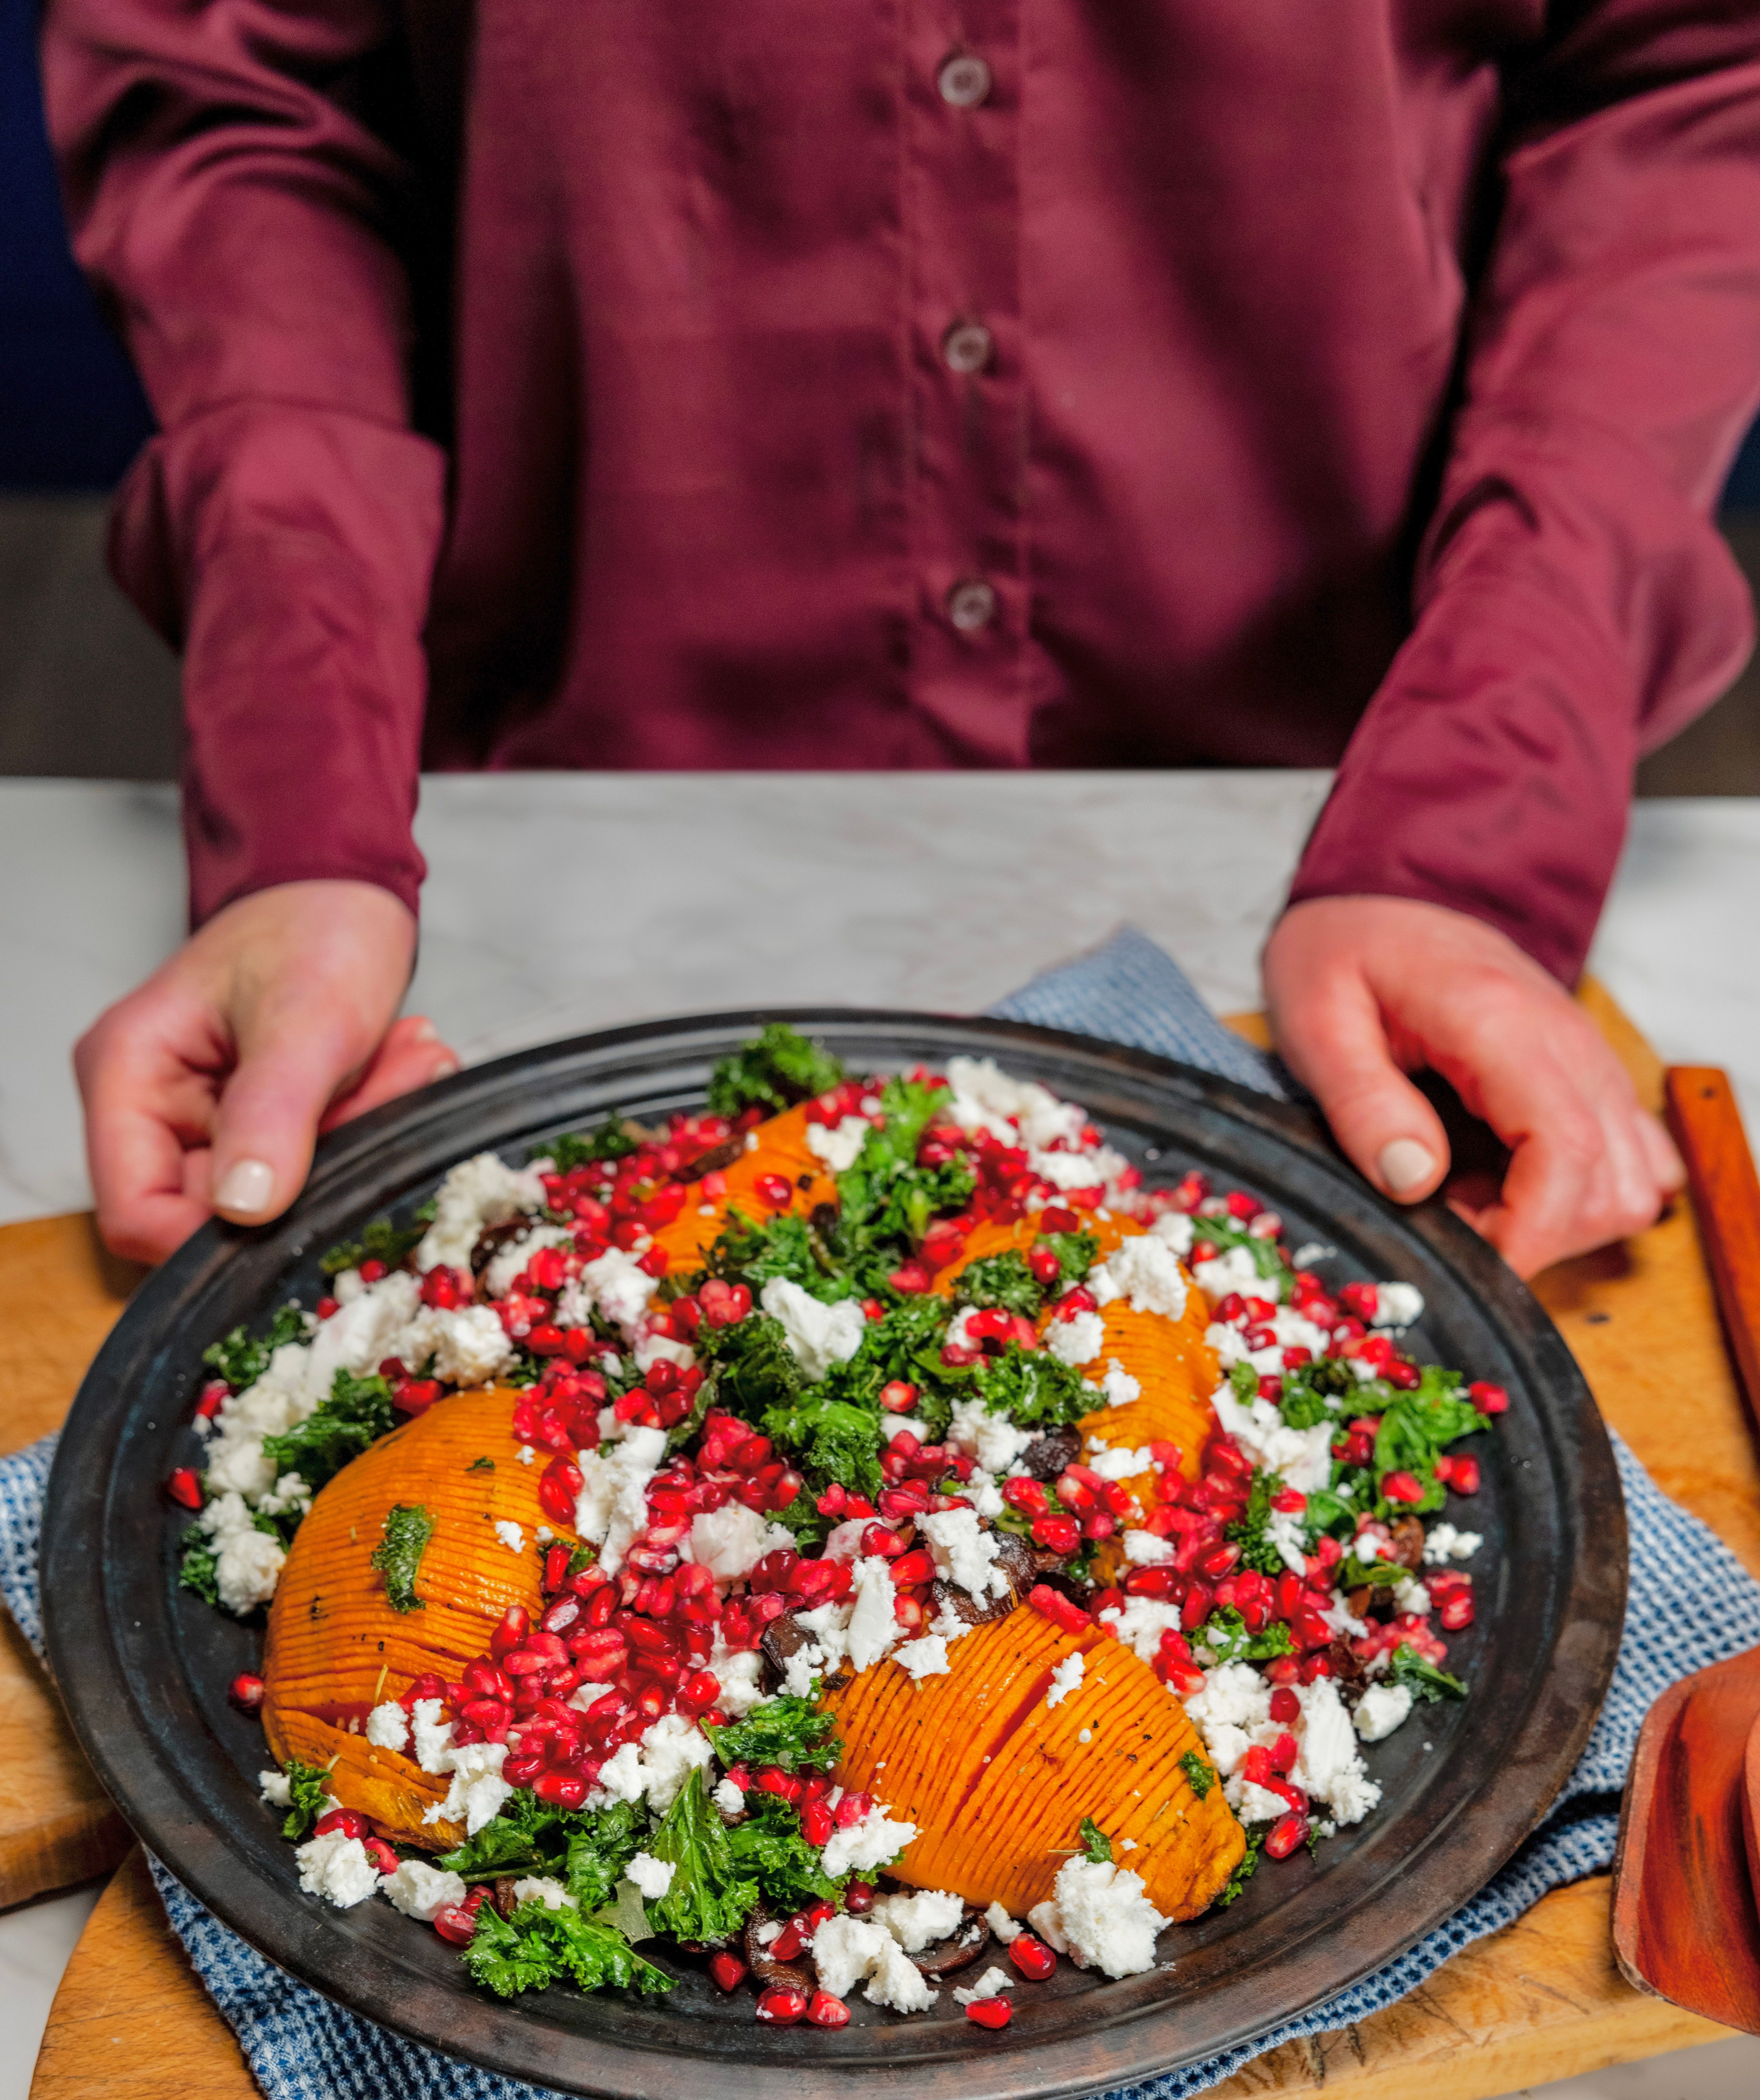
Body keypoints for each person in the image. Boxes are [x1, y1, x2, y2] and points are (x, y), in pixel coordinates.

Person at [43, 0, 1760, 1274]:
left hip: (1341, 842)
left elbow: (1683, 72)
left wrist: (1484, 802)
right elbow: (239, 90)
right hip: (513, 865)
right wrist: (300, 796)